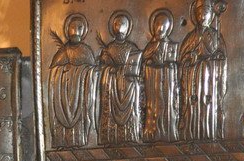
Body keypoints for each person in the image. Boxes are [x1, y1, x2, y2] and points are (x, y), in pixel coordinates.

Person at [178, 0, 227, 141]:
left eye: (205, 13)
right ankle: (191, 136)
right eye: (199, 13)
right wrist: (190, 57)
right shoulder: (191, 37)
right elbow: (182, 59)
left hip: (210, 79)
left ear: (211, 15)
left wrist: (218, 58)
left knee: (209, 105)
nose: (202, 17)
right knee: (193, 106)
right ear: (195, 15)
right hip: (193, 80)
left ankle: (210, 135)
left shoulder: (216, 37)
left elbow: (222, 58)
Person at [48, 14, 98, 148]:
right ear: (68, 29)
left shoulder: (86, 51)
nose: (75, 30)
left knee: (80, 118)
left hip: (79, 95)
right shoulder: (63, 52)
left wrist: (81, 70)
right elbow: (54, 72)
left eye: (79, 27)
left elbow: (91, 71)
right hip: (63, 94)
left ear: (83, 31)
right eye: (72, 27)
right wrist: (63, 70)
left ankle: (79, 142)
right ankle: (62, 142)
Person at [99, 11, 143, 144]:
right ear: (113, 27)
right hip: (113, 86)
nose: (119, 27)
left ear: (128, 28)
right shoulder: (109, 48)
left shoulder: (132, 47)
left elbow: (138, 67)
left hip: (129, 86)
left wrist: (132, 73)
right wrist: (109, 69)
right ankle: (111, 138)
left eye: (122, 24)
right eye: (117, 24)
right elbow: (102, 67)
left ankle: (129, 136)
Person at [141, 9, 180, 142]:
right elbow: (143, 62)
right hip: (153, 85)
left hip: (166, 83)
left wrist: (170, 67)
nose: (160, 29)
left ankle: (168, 134)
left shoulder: (170, 46)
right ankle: (152, 134)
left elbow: (174, 65)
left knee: (167, 108)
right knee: (152, 109)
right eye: (158, 25)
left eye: (163, 26)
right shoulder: (150, 46)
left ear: (167, 29)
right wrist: (149, 64)